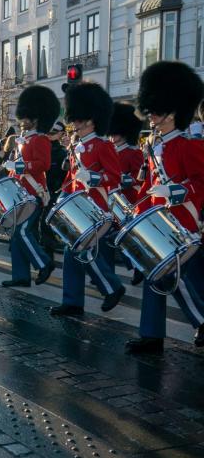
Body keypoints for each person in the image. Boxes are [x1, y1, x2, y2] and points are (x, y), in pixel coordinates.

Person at [127, 62, 204, 354]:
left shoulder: (189, 145)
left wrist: (177, 190)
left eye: (157, 112)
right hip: (158, 220)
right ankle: (151, 334)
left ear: (173, 112)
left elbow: (201, 181)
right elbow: (150, 184)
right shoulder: (155, 145)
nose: (153, 117)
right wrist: (138, 209)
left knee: (183, 279)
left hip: (183, 220)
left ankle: (201, 320)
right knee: (154, 274)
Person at [49, 82, 126, 316]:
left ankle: (112, 287)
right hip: (77, 205)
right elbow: (72, 178)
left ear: (91, 118)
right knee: (73, 253)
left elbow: (114, 178)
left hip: (95, 207)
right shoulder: (77, 145)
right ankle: (72, 301)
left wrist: (91, 177)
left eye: (80, 118)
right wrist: (62, 197)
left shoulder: (103, 145)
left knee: (84, 252)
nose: (75, 121)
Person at [3, 86, 59, 288]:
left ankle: (44, 263)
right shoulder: (24, 139)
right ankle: (21, 275)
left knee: (23, 232)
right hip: (21, 192)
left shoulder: (41, 139)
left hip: (34, 193)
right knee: (16, 235)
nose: (23, 119)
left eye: (27, 116)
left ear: (36, 118)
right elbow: (19, 168)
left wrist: (20, 166)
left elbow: (43, 164)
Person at [109, 103, 145, 285]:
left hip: (127, 201)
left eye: (116, 133)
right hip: (111, 201)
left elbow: (140, 178)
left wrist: (124, 179)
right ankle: (106, 272)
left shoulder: (134, 152)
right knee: (112, 239)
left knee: (125, 239)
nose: (113, 136)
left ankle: (138, 267)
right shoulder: (111, 151)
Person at [39, 121, 69, 259]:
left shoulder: (63, 152)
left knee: (46, 224)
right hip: (37, 190)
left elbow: (65, 177)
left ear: (61, 134)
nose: (50, 135)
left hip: (52, 193)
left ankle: (47, 257)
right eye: (49, 132)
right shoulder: (40, 147)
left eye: (54, 132)